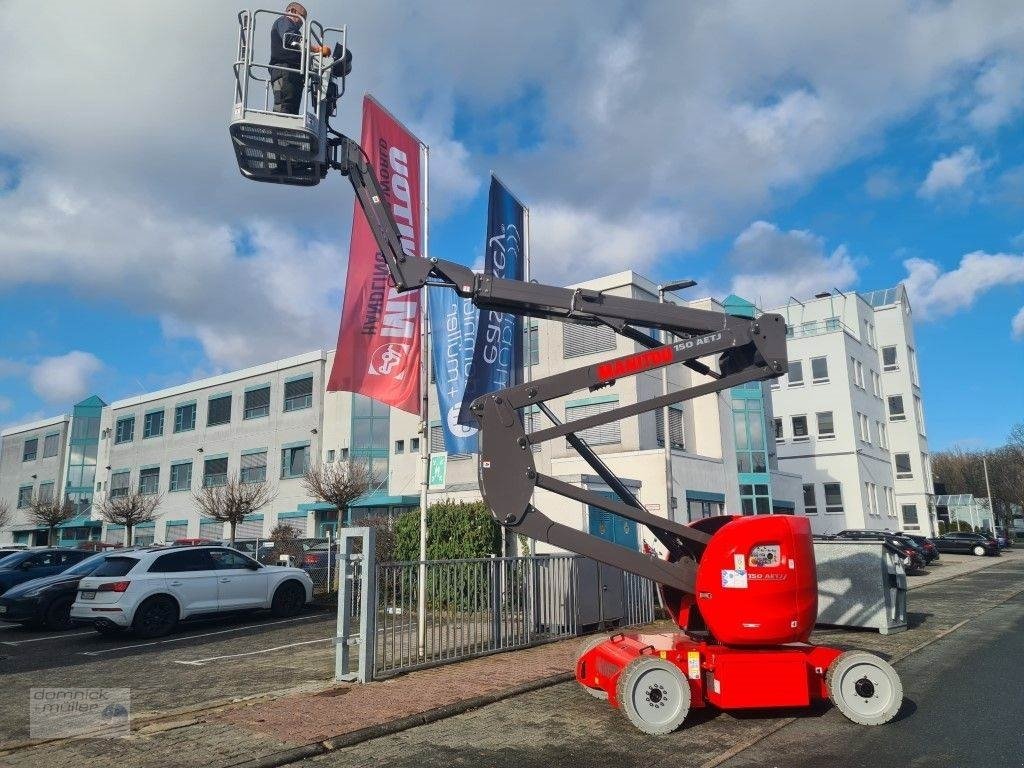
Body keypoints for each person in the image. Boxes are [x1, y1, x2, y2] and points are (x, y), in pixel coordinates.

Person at [270, 3, 328, 114]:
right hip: (285, 71)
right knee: (284, 108)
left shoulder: (292, 28)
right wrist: (316, 50)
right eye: (301, 19)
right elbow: (290, 39)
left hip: (293, 75)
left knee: (291, 111)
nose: (301, 24)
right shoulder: (284, 21)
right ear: (292, 11)